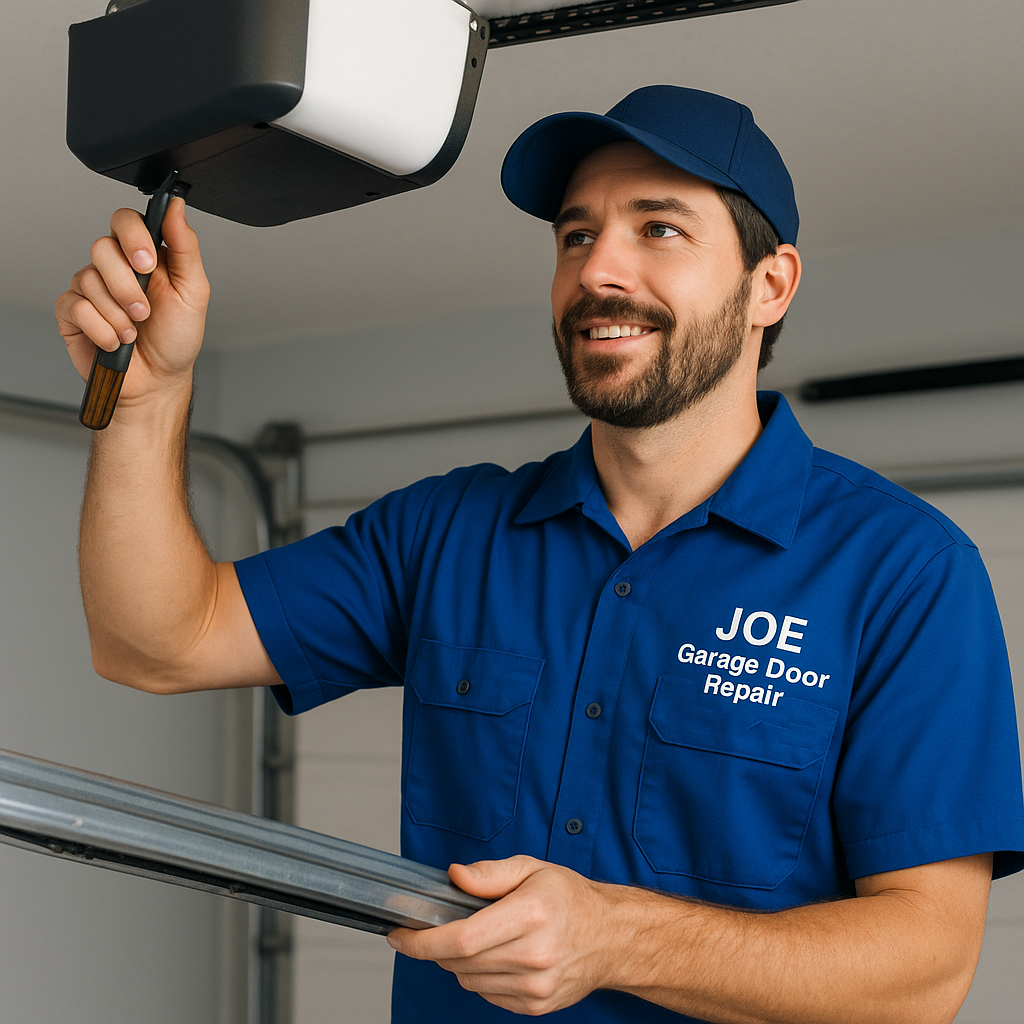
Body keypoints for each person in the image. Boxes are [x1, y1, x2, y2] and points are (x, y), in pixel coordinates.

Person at [57, 85, 1024, 1023]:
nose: (599, 270)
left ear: (768, 285)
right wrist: (146, 403)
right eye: (576, 234)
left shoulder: (904, 573)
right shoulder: (448, 533)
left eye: (659, 229)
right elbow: (156, 640)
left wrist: (619, 939)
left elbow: (924, 973)